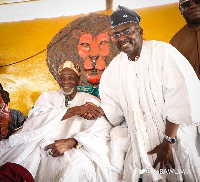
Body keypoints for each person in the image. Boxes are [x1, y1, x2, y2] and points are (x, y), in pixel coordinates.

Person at [96, 5, 200, 182]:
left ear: (140, 31)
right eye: (116, 35)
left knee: (181, 175)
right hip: (142, 143)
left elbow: (181, 99)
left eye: (127, 31)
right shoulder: (114, 68)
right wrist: (94, 110)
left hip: (174, 140)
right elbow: (113, 107)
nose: (122, 38)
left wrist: (168, 142)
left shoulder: (164, 53)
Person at [0, 61, 120, 182]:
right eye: (62, 78)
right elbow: (35, 123)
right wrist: (77, 110)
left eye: (71, 78)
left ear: (78, 79)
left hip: (79, 147)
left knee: (76, 166)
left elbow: (102, 130)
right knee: (25, 160)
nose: (66, 82)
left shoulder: (90, 100)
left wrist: (73, 142)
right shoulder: (47, 96)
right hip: (42, 143)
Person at [170, 0, 200, 79]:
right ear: (180, 10)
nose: (193, 6)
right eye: (186, 4)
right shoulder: (174, 43)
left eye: (197, 1)